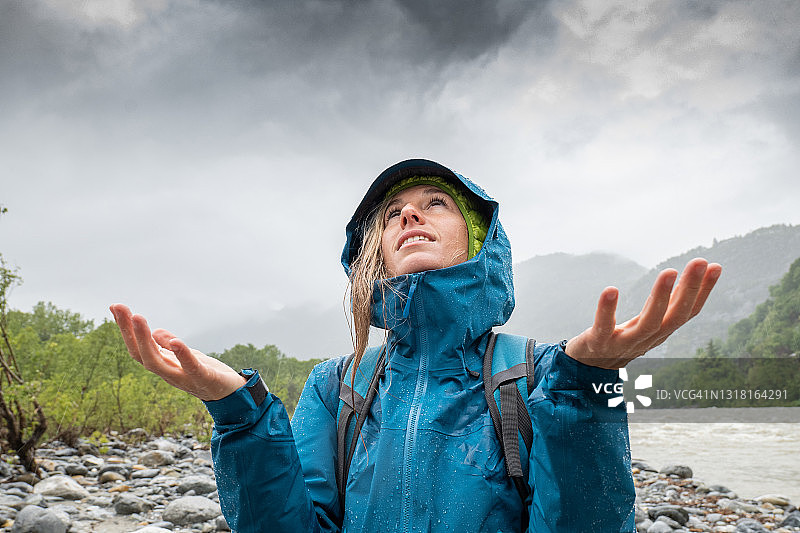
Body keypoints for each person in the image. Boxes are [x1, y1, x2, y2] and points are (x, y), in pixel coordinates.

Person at [110, 159, 721, 533]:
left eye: (436, 204)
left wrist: (589, 385)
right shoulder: (337, 385)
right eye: (393, 212)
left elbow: (585, 526)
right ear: (374, 250)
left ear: (479, 239)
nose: (410, 217)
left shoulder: (541, 375)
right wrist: (238, 410)